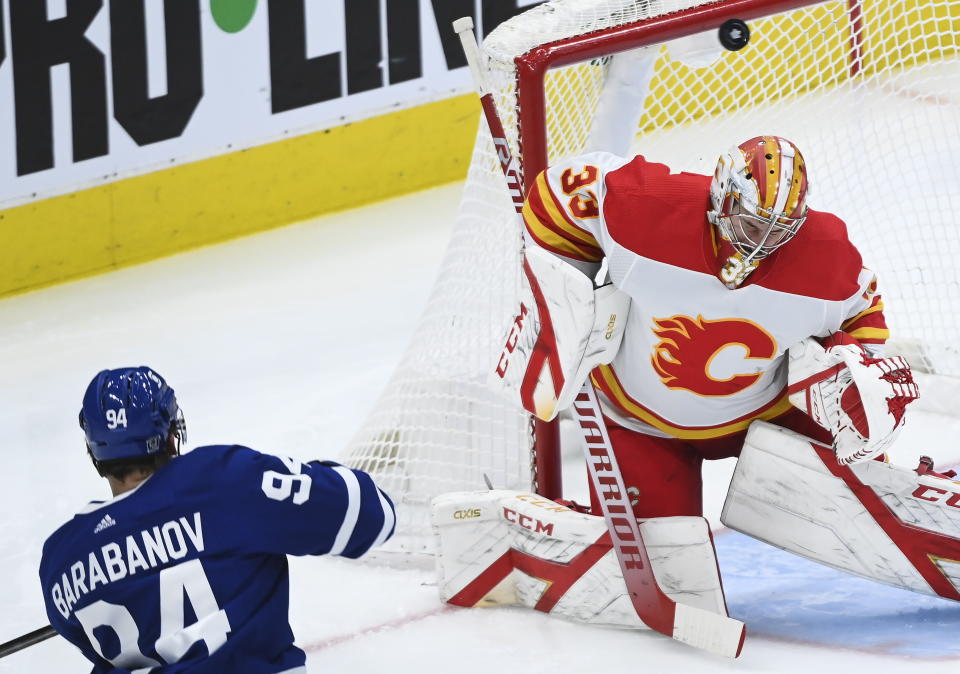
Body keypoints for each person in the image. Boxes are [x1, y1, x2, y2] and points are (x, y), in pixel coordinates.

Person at [520, 135, 913, 519]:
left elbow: (863, 314)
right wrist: (566, 290)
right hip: (635, 420)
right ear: (724, 196)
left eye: (778, 230)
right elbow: (554, 196)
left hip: (773, 417)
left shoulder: (826, 256)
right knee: (664, 566)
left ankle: (896, 511)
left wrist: (858, 372)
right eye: (753, 224)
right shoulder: (645, 207)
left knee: (863, 480)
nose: (761, 245)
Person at [39, 366, 395, 673]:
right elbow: (371, 514)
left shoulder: (60, 560)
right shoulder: (222, 481)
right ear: (171, 435)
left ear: (94, 450)